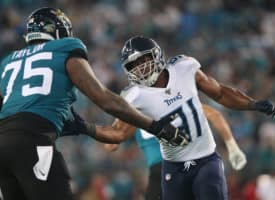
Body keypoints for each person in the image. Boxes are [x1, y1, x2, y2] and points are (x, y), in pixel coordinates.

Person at [0, 8, 187, 200]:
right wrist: (157, 127)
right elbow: (106, 100)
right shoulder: (65, 48)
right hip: (34, 142)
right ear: (57, 30)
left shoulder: (7, 62)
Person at [101, 36, 275, 200]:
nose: (139, 68)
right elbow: (114, 139)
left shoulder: (184, 68)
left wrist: (251, 104)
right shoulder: (134, 97)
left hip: (205, 159)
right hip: (172, 167)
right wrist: (90, 128)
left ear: (156, 56)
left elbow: (220, 94)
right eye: (133, 65)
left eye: (143, 60)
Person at [102, 103, 247, 200]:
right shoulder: (178, 100)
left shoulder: (135, 111)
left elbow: (110, 146)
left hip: (161, 172)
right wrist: (232, 146)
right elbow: (215, 114)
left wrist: (117, 121)